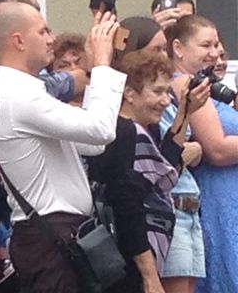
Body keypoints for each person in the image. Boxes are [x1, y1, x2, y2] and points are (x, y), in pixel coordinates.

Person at [0, 1, 125, 293]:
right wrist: (102, 65)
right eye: (43, 31)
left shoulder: (26, 91)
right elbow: (101, 130)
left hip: (60, 234)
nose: (52, 39)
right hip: (49, 238)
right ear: (18, 41)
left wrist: (96, 70)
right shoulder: (17, 96)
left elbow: (92, 145)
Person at [89, 51, 208, 293]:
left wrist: (185, 111)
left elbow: (165, 167)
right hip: (126, 259)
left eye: (167, 92)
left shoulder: (134, 130)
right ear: (129, 93)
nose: (165, 101)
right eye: (157, 91)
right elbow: (128, 206)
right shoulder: (126, 133)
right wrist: (149, 275)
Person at [167, 16, 238, 293]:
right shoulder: (188, 85)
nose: (214, 52)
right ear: (178, 48)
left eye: (216, 44)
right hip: (219, 194)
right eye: (205, 45)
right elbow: (216, 149)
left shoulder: (209, 87)